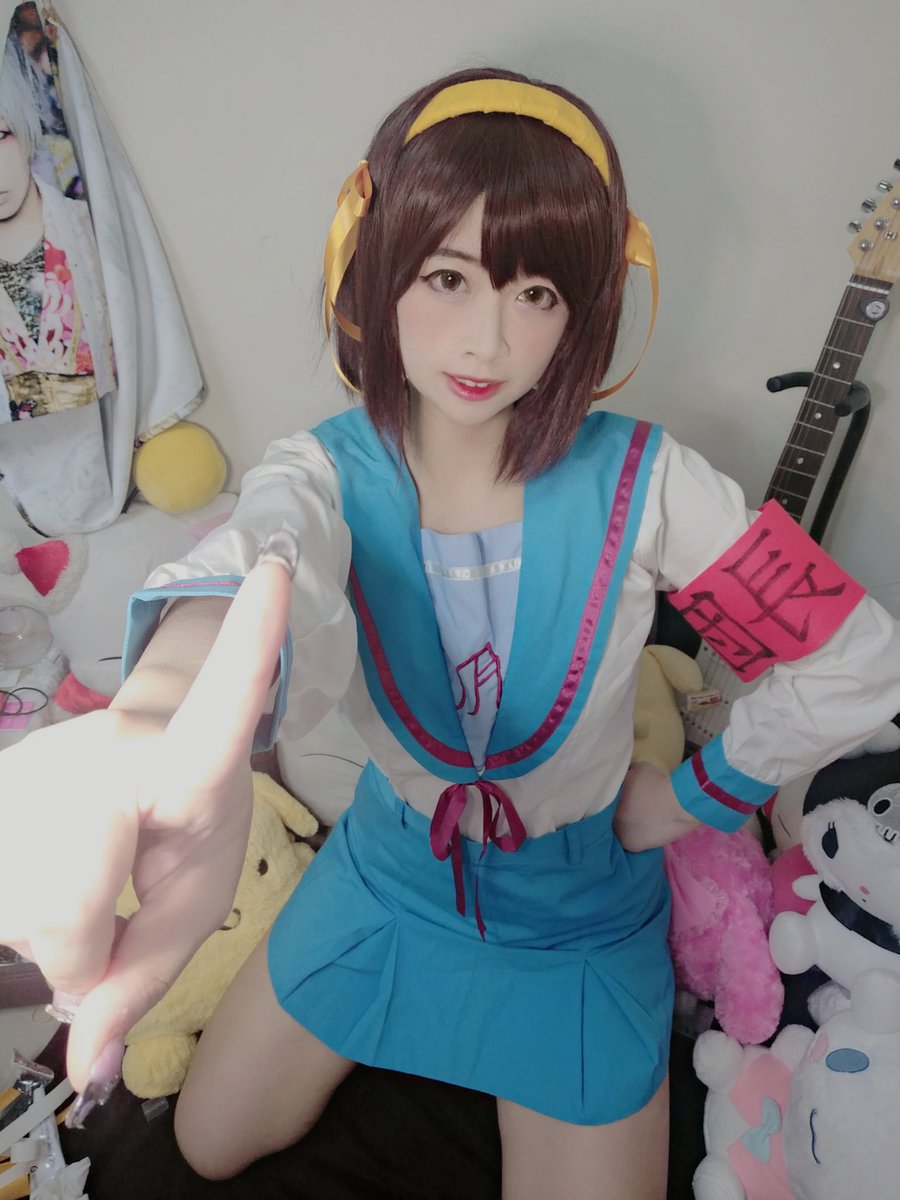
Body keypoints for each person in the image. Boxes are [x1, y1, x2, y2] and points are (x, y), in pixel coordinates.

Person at [2, 66, 899, 1200]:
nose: (488, 339)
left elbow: (856, 654)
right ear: (373, 268)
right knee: (207, 1143)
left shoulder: (653, 484)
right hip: (388, 877)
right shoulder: (321, 474)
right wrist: (147, 721)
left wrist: (693, 798)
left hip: (579, 917)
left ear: (586, 308)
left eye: (536, 293)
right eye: (446, 277)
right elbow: (260, 569)